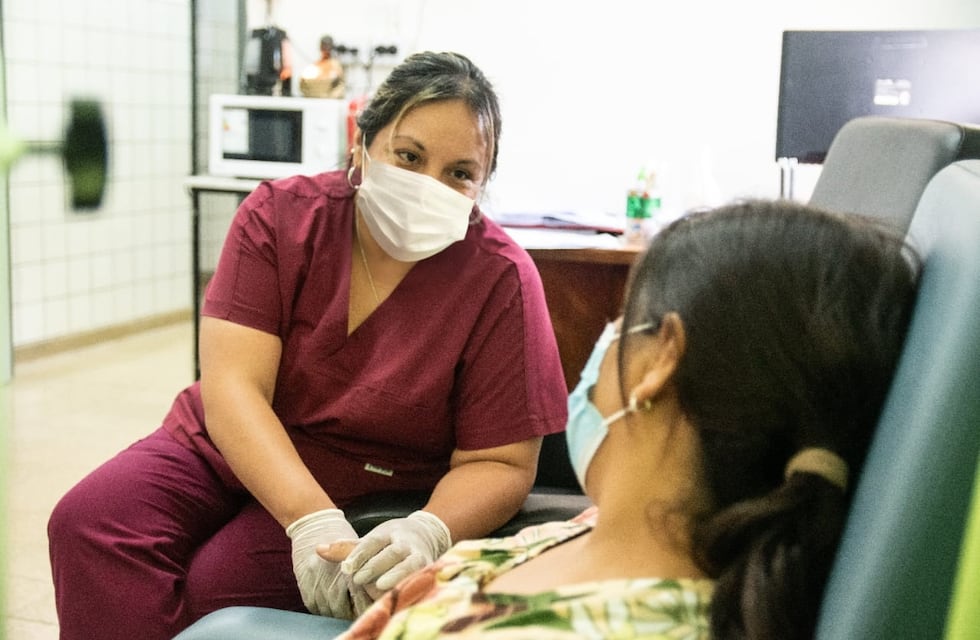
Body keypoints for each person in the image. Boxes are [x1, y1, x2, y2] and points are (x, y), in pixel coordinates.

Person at [176, 198, 922, 640]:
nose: (599, 353)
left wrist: (428, 533)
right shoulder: (634, 533)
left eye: (620, 320)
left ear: (661, 360)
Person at [47, 51, 568, 640]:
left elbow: (501, 461)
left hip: (364, 479)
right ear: (361, 142)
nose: (430, 186)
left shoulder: (500, 280)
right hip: (223, 442)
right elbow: (234, 388)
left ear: (483, 183)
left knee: (215, 590)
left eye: (460, 173)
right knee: (89, 522)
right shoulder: (280, 217)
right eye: (409, 156)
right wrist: (308, 519)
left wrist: (427, 531)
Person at [300, 35, 347, 99]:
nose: (325, 48)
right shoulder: (315, 65)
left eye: (327, 46)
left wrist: (331, 96)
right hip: (313, 99)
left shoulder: (335, 65)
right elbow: (303, 84)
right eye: (323, 46)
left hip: (329, 101)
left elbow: (341, 85)